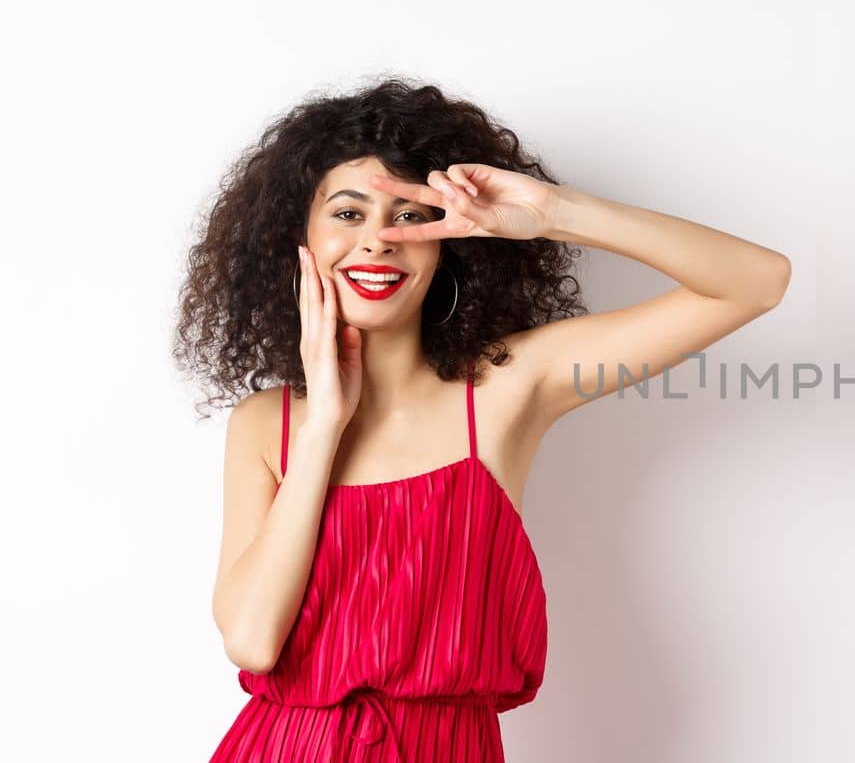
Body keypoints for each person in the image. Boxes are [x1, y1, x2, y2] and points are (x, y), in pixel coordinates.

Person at [172, 77, 790, 762]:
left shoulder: (504, 389)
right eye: (348, 214)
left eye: (410, 216)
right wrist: (324, 426)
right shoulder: (269, 424)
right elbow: (253, 641)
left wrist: (553, 211)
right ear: (301, 239)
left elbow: (756, 281)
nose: (378, 240)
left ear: (447, 244)